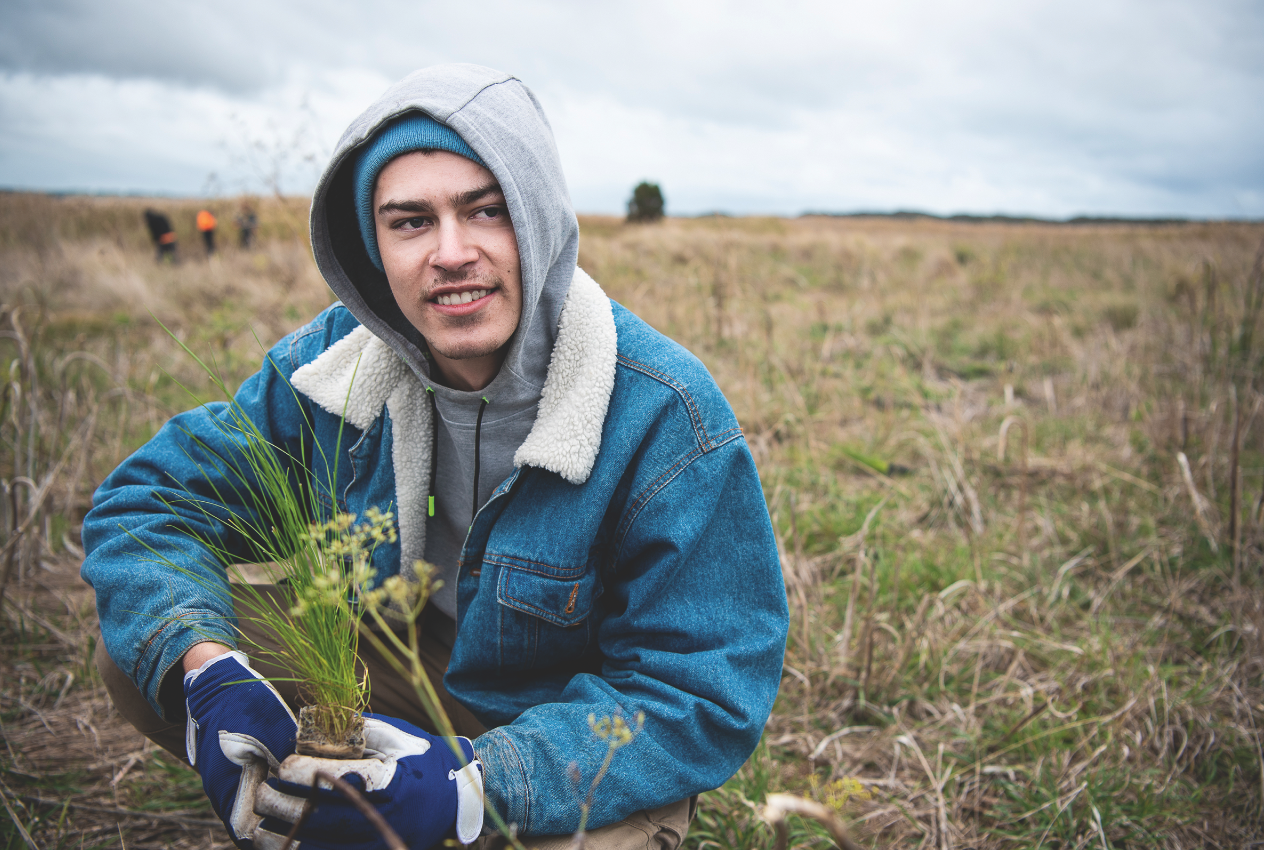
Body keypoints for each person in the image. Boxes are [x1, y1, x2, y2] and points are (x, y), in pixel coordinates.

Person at [82, 64, 787, 849]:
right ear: (372, 246)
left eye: (485, 211)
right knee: (147, 649)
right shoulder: (329, 368)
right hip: (398, 668)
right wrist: (212, 676)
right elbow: (146, 506)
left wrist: (473, 784)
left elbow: (703, 690)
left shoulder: (665, 413)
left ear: (539, 221)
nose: (451, 253)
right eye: (410, 222)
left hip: (571, 724)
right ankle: (323, 806)